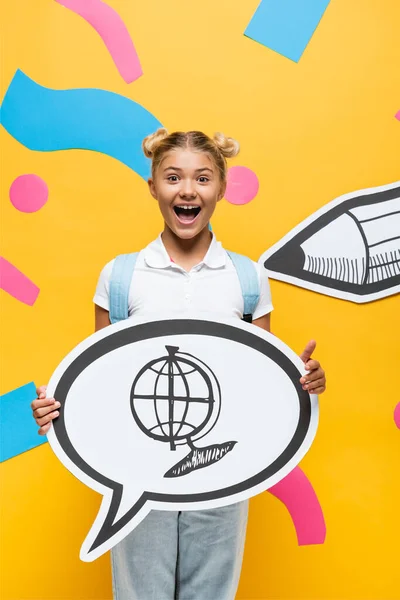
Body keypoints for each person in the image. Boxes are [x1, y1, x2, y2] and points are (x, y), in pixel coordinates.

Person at [31, 128, 326, 600]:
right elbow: (100, 383)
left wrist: (302, 380)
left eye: (202, 178)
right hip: (135, 468)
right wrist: (57, 411)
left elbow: (262, 384)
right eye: (173, 177)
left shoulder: (247, 277)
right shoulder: (121, 276)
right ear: (153, 187)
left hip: (226, 469)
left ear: (221, 189)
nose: (187, 190)